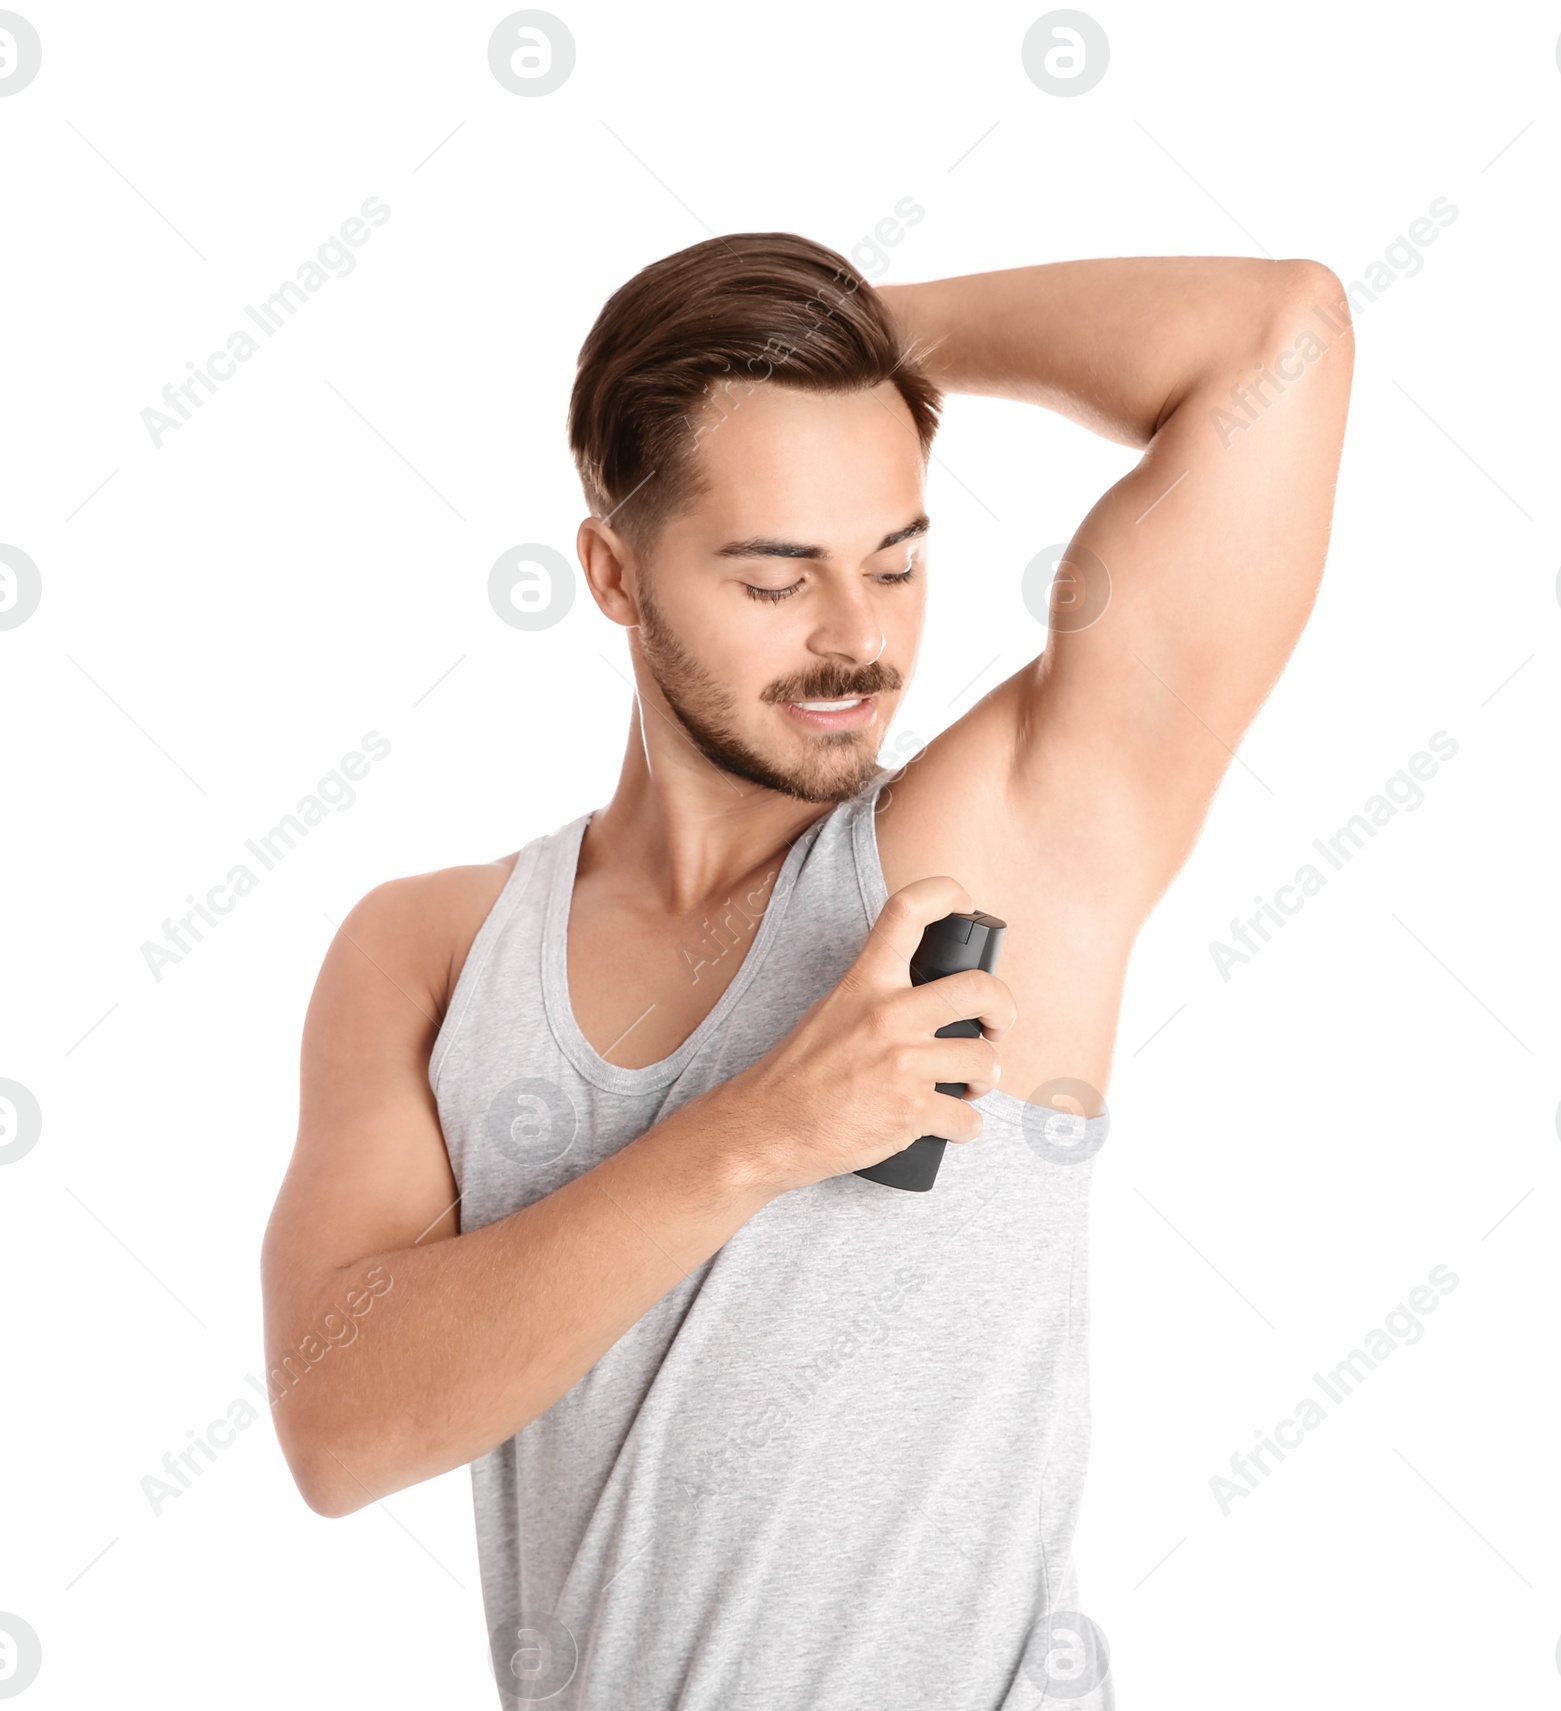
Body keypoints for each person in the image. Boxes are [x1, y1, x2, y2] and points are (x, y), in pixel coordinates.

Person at [261, 232, 1352, 1707]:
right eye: (778, 580)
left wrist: (848, 344)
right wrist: (764, 1135)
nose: (860, 640)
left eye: (896, 561)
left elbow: (1278, 336)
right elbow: (340, 1427)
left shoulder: (1007, 840)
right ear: (613, 571)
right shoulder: (434, 951)